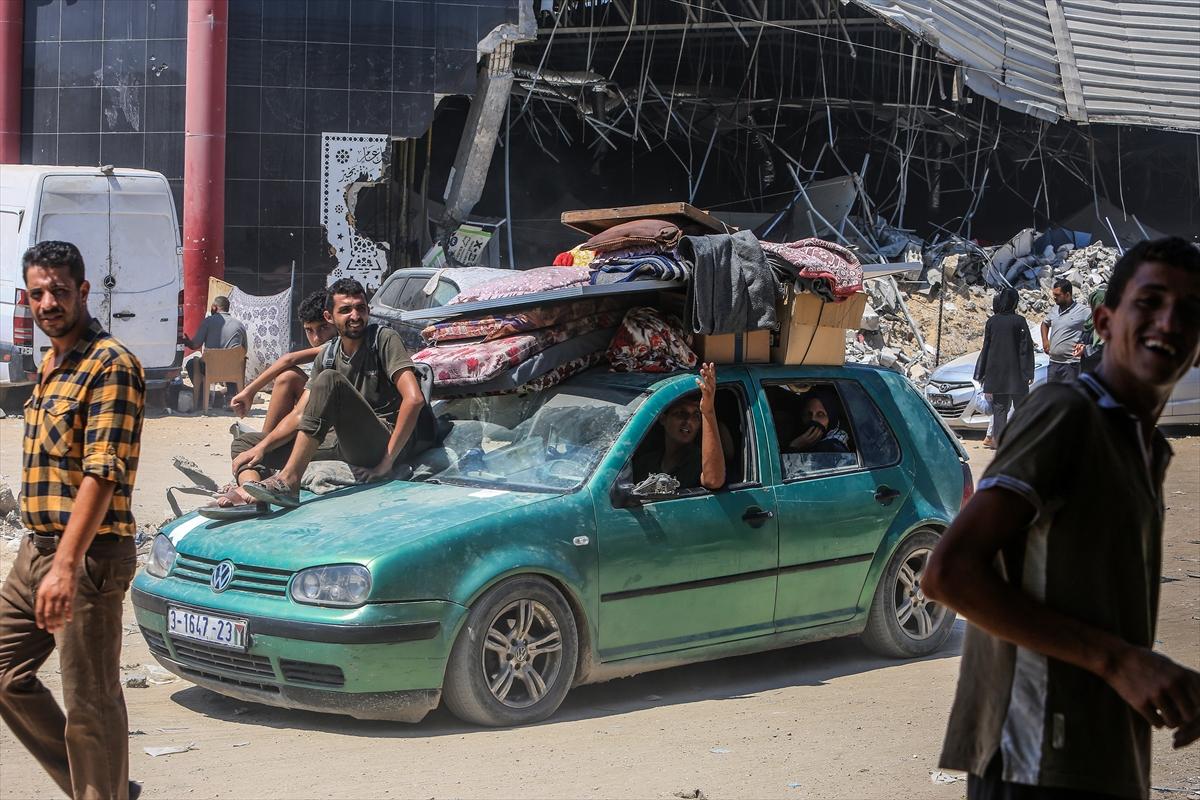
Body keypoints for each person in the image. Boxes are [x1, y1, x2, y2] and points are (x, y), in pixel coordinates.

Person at [923, 237, 1200, 800]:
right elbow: (947, 573)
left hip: (1098, 758)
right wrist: (1121, 661)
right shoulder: (1067, 414)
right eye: (1149, 302)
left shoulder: (1145, 446)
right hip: (1034, 761)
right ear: (1103, 321)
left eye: (1190, 312)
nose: (1169, 323)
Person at [0, 241, 146, 800]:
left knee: (90, 701)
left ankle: (100, 790)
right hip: (35, 552)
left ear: (83, 291)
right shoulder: (51, 365)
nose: (48, 303)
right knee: (7, 674)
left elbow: (102, 474)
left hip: (86, 558)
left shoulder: (111, 365)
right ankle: (104, 788)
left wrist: (65, 565)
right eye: (37, 293)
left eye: (59, 291)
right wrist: (45, 560)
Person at [229, 278, 426, 508]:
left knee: (329, 380)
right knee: (245, 445)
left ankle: (289, 481)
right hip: (341, 442)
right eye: (345, 310)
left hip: (379, 442)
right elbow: (300, 415)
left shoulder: (383, 339)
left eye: (360, 308)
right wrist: (262, 447)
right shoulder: (328, 355)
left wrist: (386, 464)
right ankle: (249, 497)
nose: (355, 316)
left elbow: (414, 400)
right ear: (329, 317)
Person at [228, 291, 335, 435]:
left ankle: (264, 442)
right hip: (323, 409)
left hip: (338, 418)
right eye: (309, 330)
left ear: (333, 320)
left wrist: (250, 391)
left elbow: (289, 359)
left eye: (323, 328)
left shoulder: (338, 344)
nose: (316, 338)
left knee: (288, 377)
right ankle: (267, 441)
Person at [631, 362, 725, 491]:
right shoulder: (646, 462)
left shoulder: (699, 461)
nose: (688, 421)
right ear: (663, 418)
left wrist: (708, 411)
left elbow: (713, 481)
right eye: (681, 413)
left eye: (696, 415)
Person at [976, 288, 1034, 448]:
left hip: (997, 375)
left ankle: (999, 442)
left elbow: (986, 348)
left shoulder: (992, 322)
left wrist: (983, 373)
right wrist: (1028, 372)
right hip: (1017, 374)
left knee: (1000, 409)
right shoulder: (1019, 321)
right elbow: (1025, 348)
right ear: (1015, 302)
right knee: (1021, 407)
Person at [183, 295, 247, 406]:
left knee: (190, 364)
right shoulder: (239, 325)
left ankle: (203, 395)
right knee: (233, 360)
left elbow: (195, 345)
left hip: (210, 368)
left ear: (214, 307)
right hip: (233, 368)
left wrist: (186, 341)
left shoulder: (207, 322)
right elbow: (244, 350)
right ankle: (230, 396)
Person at [1040, 279, 1090, 383]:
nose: (1054, 297)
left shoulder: (1083, 311)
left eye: (1057, 295)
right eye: (1054, 294)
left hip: (1071, 365)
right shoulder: (1055, 309)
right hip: (1053, 363)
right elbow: (1045, 324)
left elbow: (1098, 326)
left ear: (1067, 295)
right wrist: (1045, 341)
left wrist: (1086, 345)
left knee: (1069, 398)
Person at [786, 391, 851, 454]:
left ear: (831, 418)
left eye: (820, 414)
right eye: (809, 414)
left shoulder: (832, 449)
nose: (813, 419)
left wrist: (795, 446)